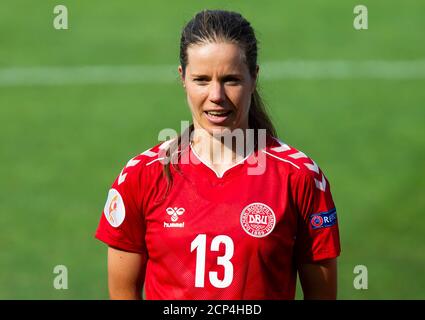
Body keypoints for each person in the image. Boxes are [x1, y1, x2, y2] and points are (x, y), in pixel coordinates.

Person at [95, 9, 341, 300]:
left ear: (254, 77)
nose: (216, 95)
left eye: (231, 80)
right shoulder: (142, 175)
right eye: (201, 80)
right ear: (182, 78)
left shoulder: (300, 178)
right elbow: (123, 292)